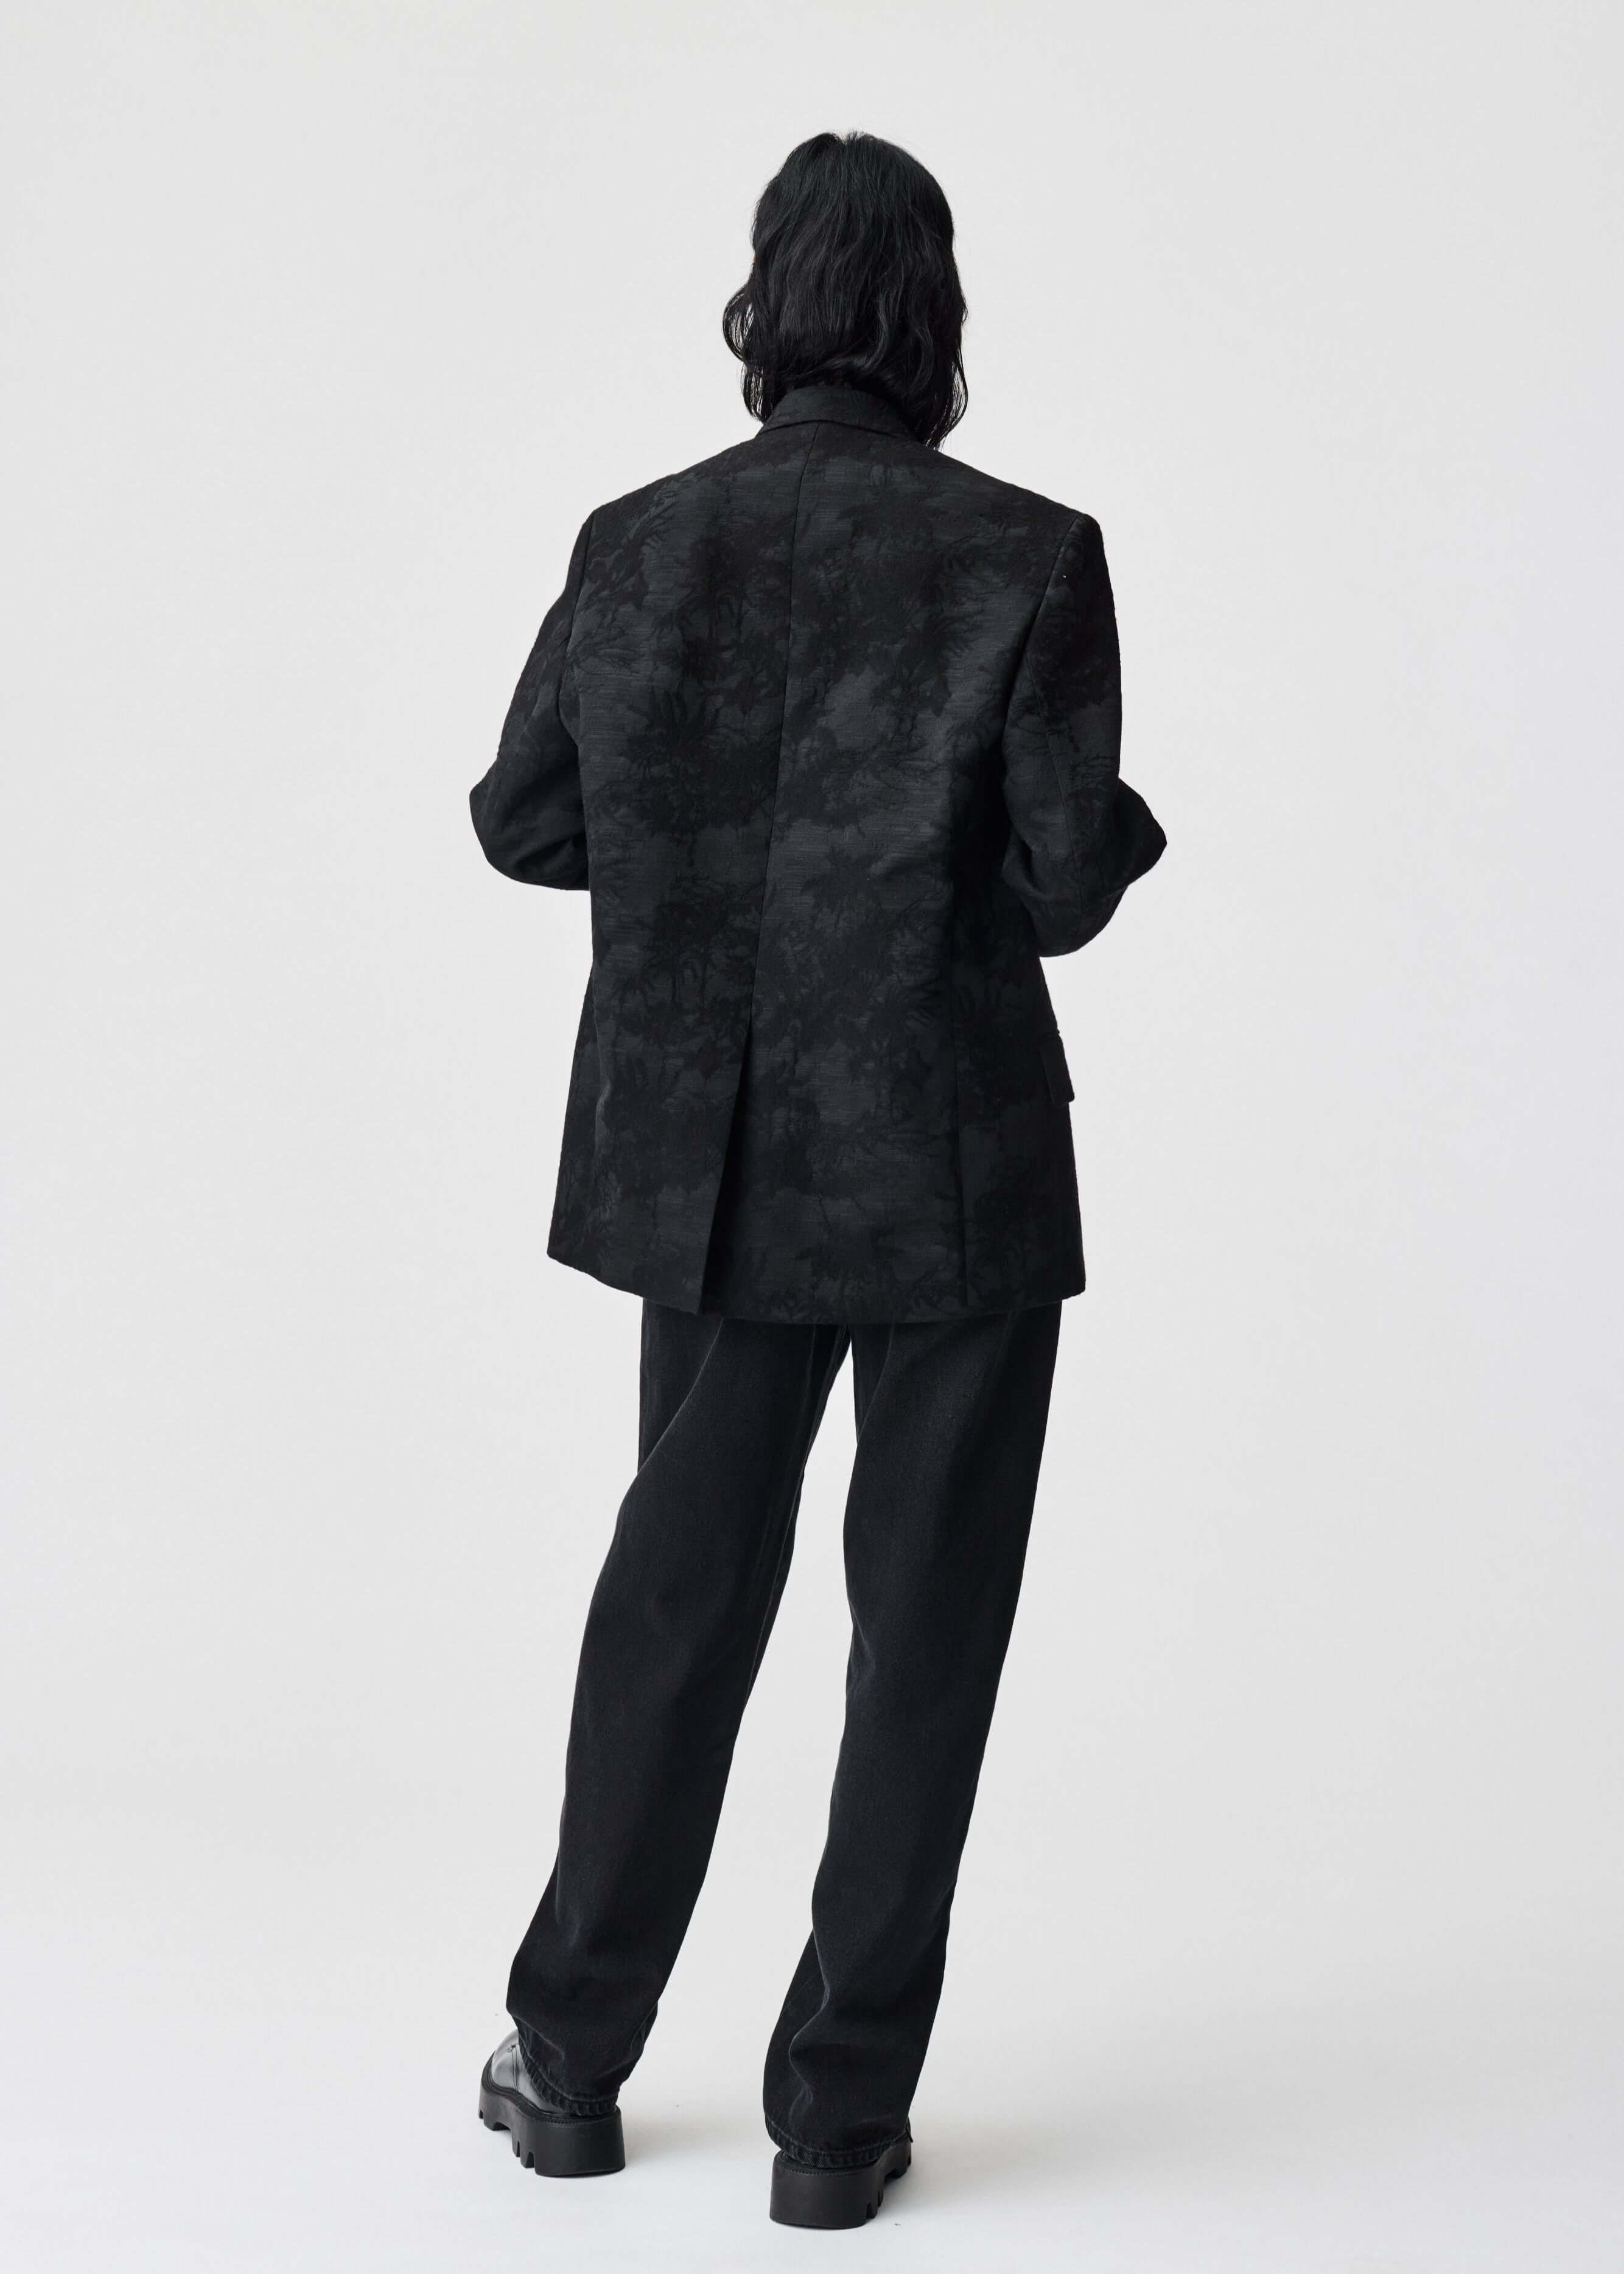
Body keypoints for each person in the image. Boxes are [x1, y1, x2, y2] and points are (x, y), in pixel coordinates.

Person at [467, 128, 1165, 2231]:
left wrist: (694, 871)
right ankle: (836, 2119)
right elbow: (1062, 883)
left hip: (701, 1162)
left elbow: (522, 821)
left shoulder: (637, 543)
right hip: (949, 1164)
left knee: (675, 1606)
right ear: (930, 313)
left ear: (764, 299)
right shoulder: (1026, 551)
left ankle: (569, 2061)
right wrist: (1114, 826)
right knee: (922, 1632)